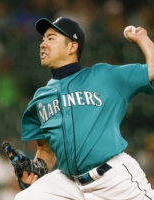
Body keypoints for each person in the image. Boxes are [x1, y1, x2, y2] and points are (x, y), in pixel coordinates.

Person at [14, 17, 154, 200]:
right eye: (42, 39)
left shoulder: (104, 76)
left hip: (113, 179)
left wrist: (142, 38)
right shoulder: (40, 98)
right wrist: (34, 172)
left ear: (72, 47)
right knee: (26, 198)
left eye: (51, 38)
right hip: (69, 183)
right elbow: (46, 151)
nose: (43, 44)